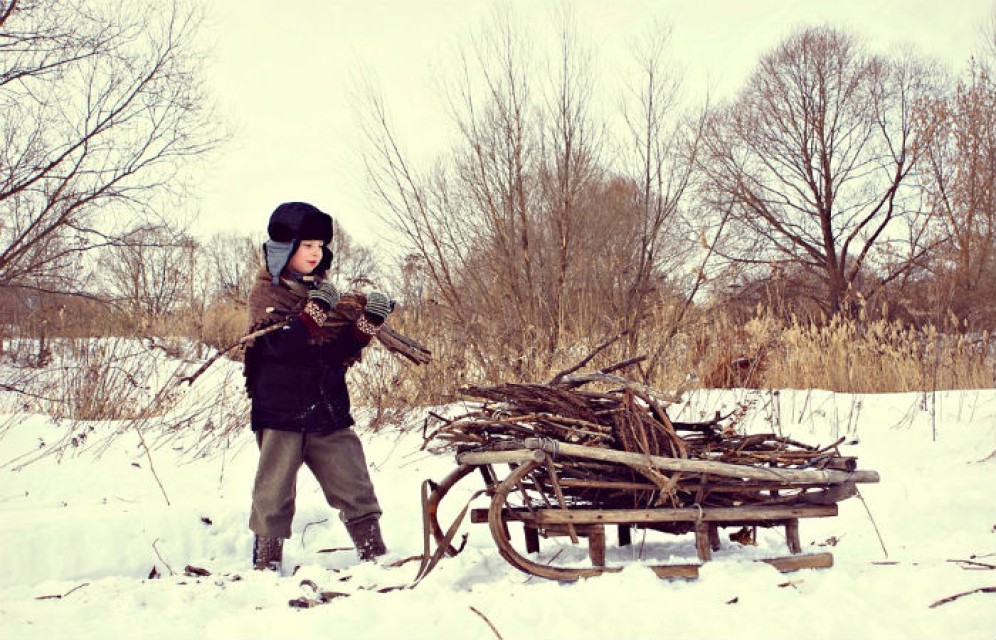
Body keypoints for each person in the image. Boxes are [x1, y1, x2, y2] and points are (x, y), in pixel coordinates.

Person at [242, 201, 392, 572]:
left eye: (320, 246)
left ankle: (375, 556)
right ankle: (266, 565)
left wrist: (367, 324)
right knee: (273, 495)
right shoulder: (267, 295)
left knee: (354, 482)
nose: (315, 253)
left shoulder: (328, 296)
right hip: (280, 410)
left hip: (327, 408)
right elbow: (278, 347)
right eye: (306, 244)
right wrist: (313, 314)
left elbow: (337, 353)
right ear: (284, 248)